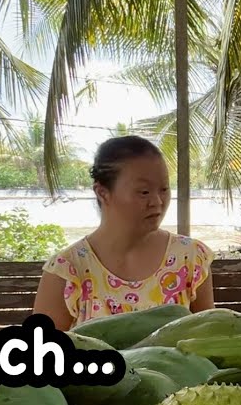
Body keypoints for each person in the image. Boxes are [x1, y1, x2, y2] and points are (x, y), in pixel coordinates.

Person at [33, 135, 215, 330]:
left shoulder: (191, 258)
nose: (157, 201)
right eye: (144, 192)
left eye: (163, 189)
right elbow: (43, 354)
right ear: (102, 193)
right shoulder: (68, 271)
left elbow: (208, 338)